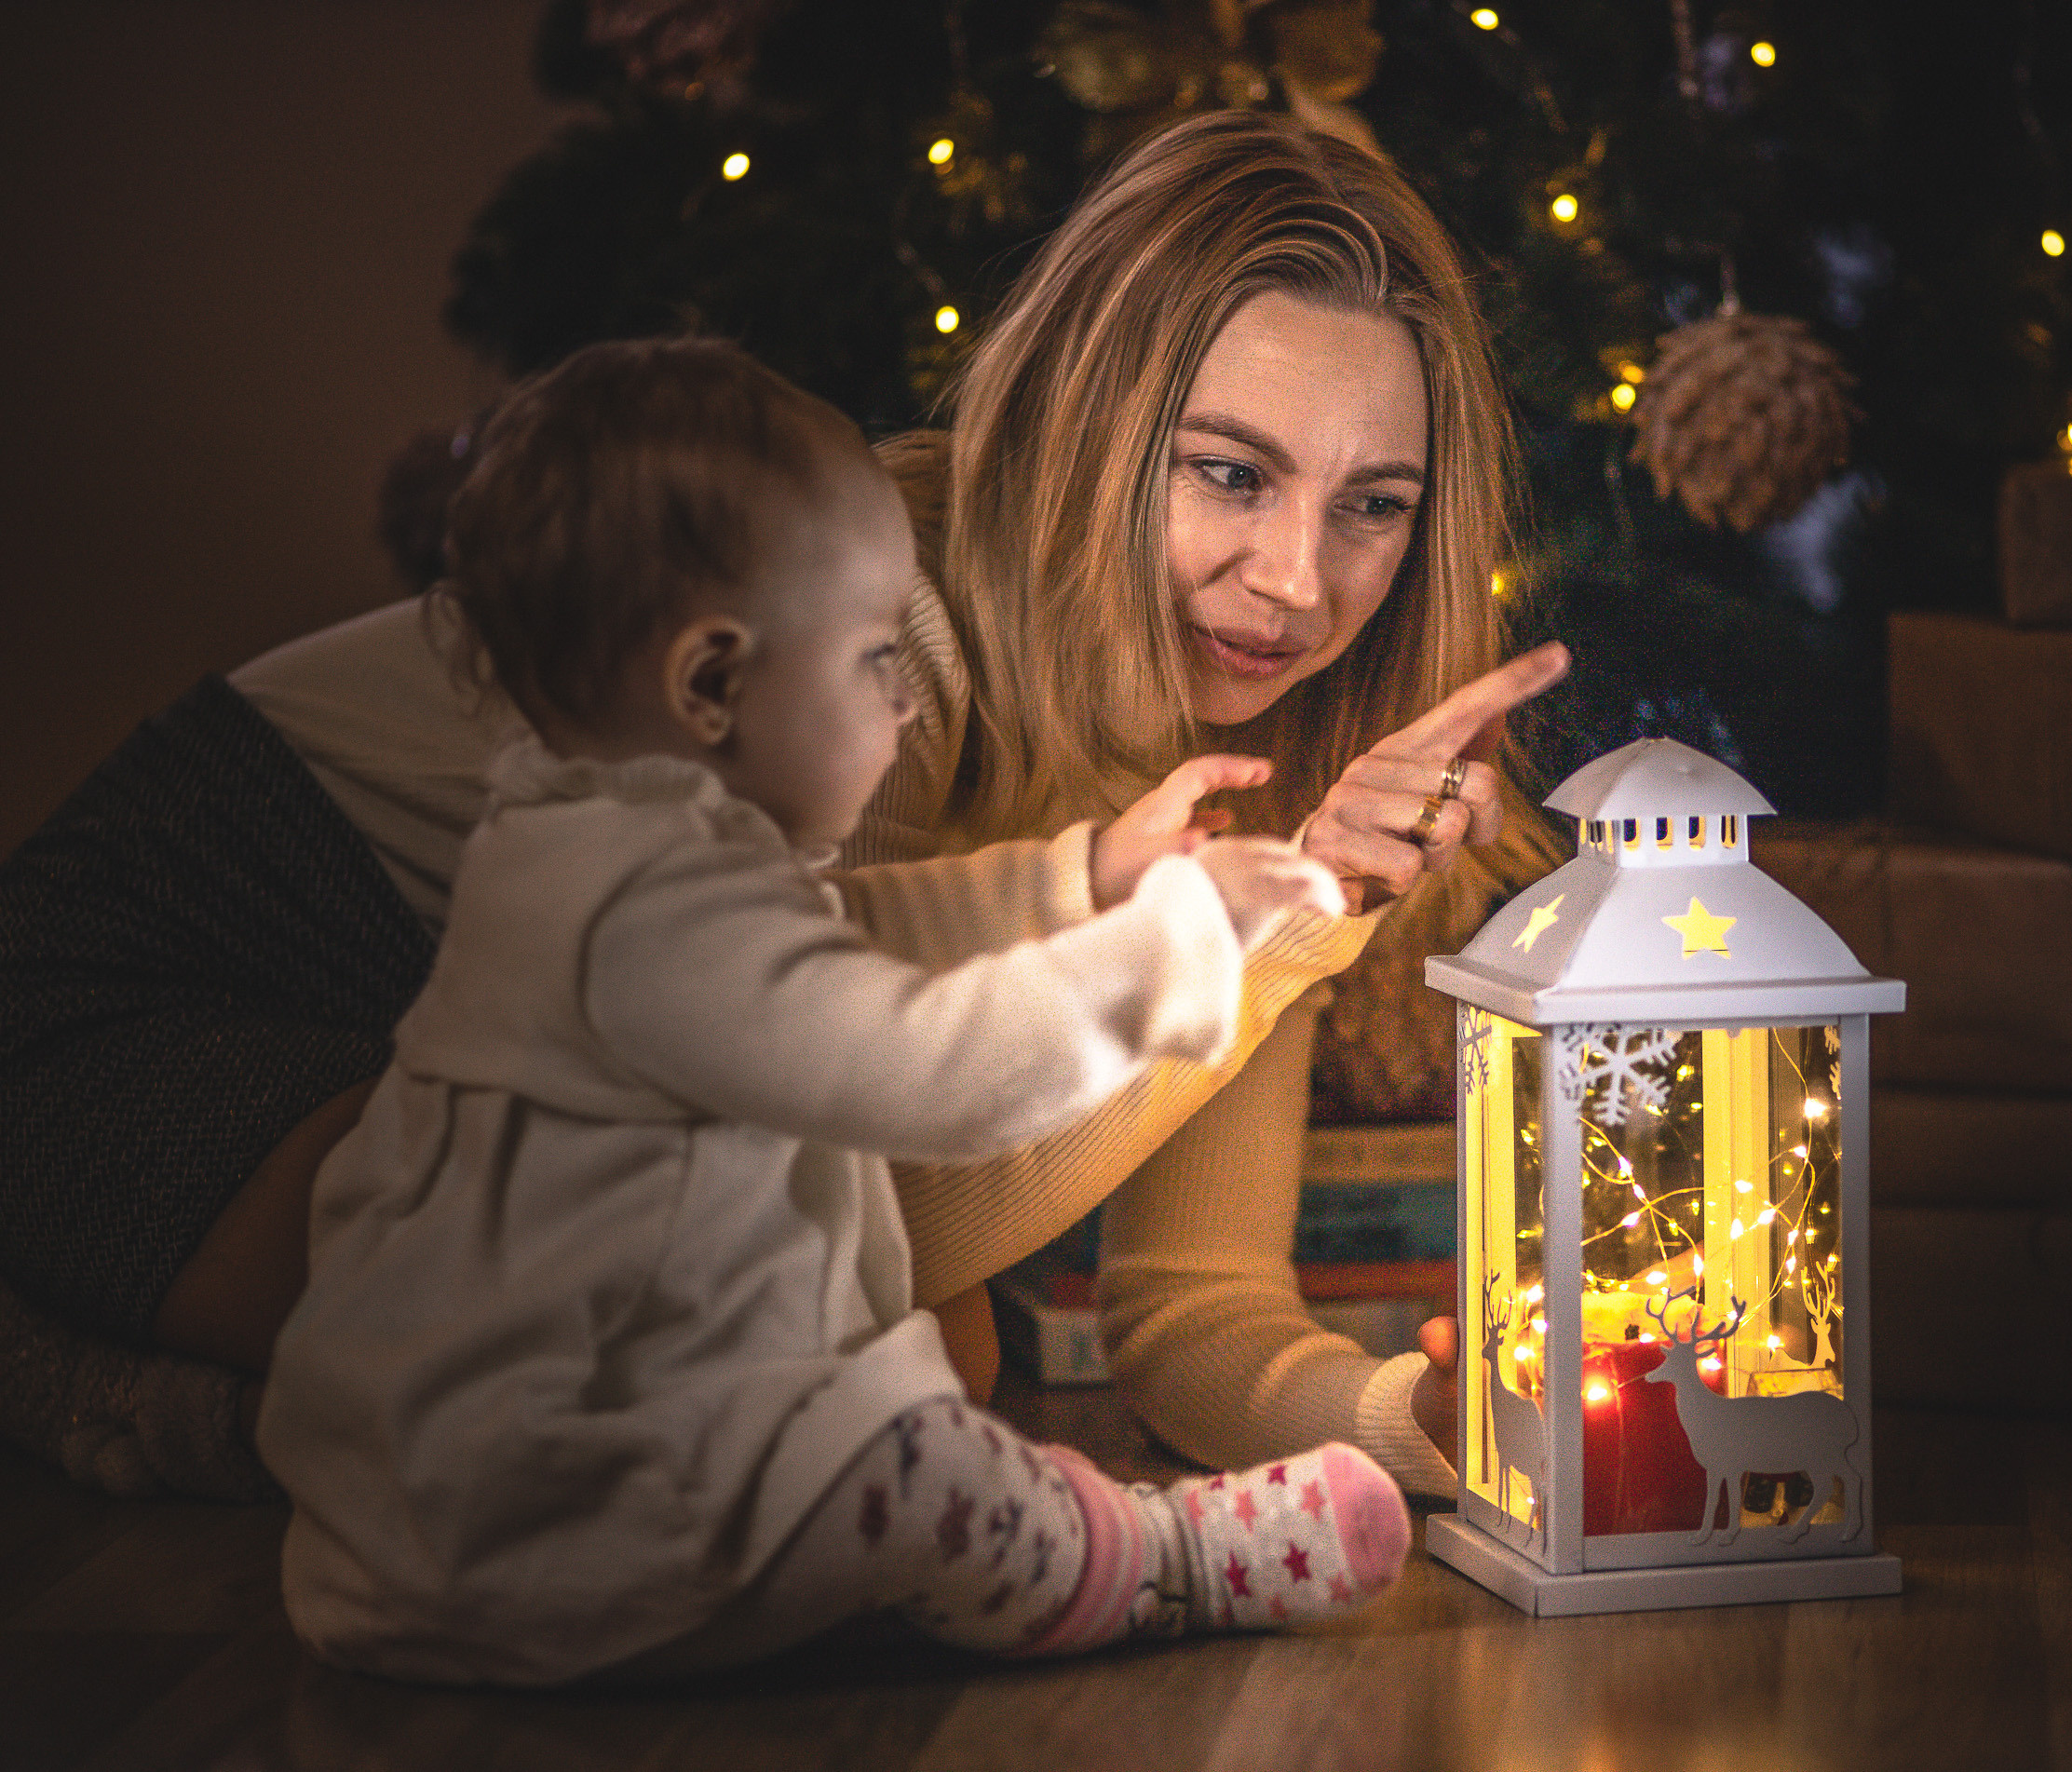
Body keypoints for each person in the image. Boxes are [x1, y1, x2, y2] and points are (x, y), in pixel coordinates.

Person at [0, 109, 1566, 1504]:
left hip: (475, 1058)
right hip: (148, 989)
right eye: (1230, 474)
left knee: (930, 1359)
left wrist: (1414, 1420)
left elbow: (1192, 1314)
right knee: (838, 1330)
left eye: (1373, 507)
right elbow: (819, 1215)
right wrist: (1264, 935)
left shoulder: (1271, 783)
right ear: (1096, 432)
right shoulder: (873, 629)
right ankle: (102, 1383)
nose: (1299, 582)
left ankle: (242, 1400)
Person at [255, 336, 1414, 1684]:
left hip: (454, 1501)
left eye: (1374, 503)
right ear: (709, 686)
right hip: (560, 1502)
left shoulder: (596, 841)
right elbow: (911, 1062)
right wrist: (1176, 947)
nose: (902, 693)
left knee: (894, 1383)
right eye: (873, 659)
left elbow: (851, 936)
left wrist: (1089, 877)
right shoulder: (646, 909)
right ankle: (1150, 1562)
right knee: (913, 1448)